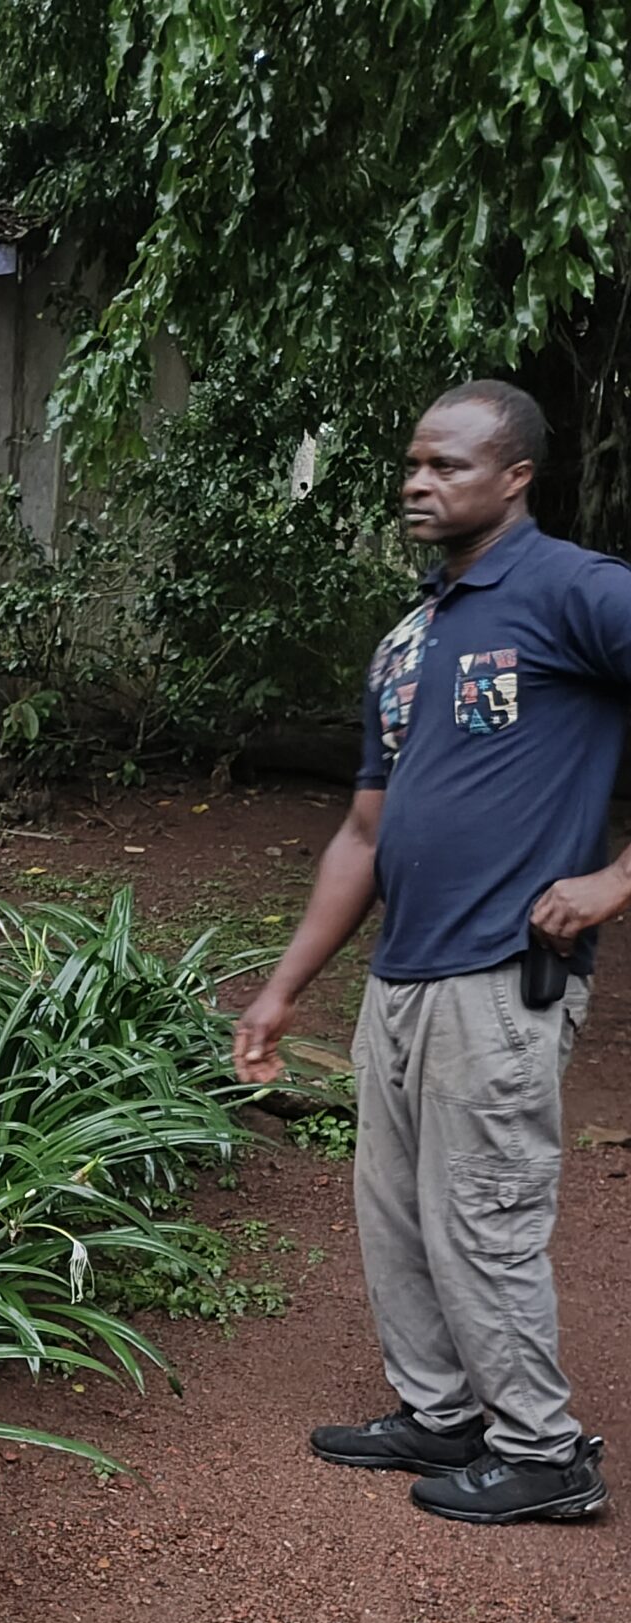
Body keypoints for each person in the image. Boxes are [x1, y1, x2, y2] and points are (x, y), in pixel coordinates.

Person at [234, 379, 631, 1525]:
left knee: (483, 1212)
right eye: (413, 463)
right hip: (403, 974)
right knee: (397, 1208)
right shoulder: (415, 636)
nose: (420, 482)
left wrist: (610, 881)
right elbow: (365, 829)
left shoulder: (573, 590)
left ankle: (545, 1453)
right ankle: (443, 1408)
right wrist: (283, 988)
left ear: (515, 478)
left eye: (449, 465)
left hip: (504, 979)